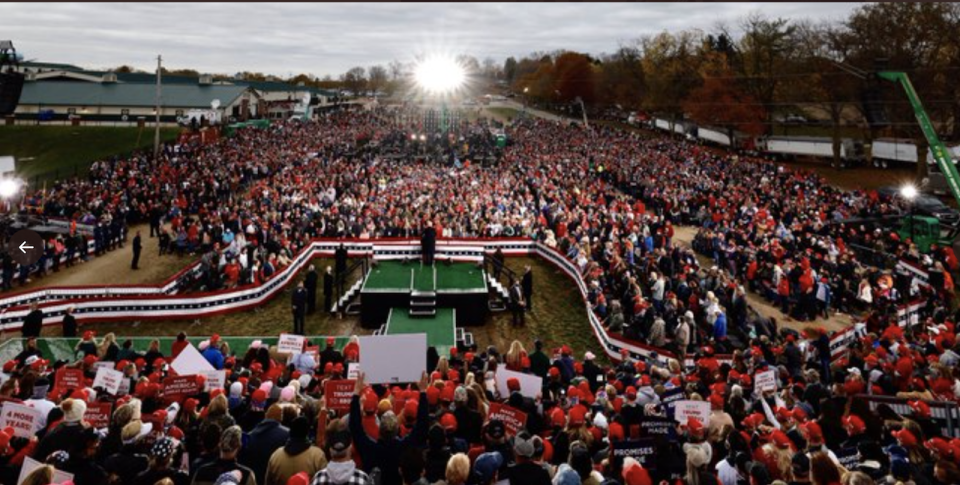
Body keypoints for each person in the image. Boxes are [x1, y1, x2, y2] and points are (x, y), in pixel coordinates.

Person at [264, 416, 327, 485]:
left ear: (290, 431)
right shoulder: (317, 455)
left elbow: (268, 482)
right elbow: (324, 480)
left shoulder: (276, 455)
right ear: (307, 432)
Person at [240, 403, 290, 485]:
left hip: (253, 478)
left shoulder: (251, 433)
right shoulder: (286, 434)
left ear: (266, 414)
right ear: (281, 417)